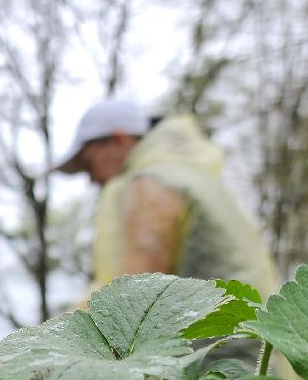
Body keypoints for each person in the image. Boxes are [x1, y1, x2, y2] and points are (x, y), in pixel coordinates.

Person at [58, 99, 277, 297]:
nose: (91, 179)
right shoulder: (187, 173)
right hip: (256, 327)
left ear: (118, 140)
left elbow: (136, 294)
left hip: (225, 338)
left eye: (88, 164)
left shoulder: (151, 182)